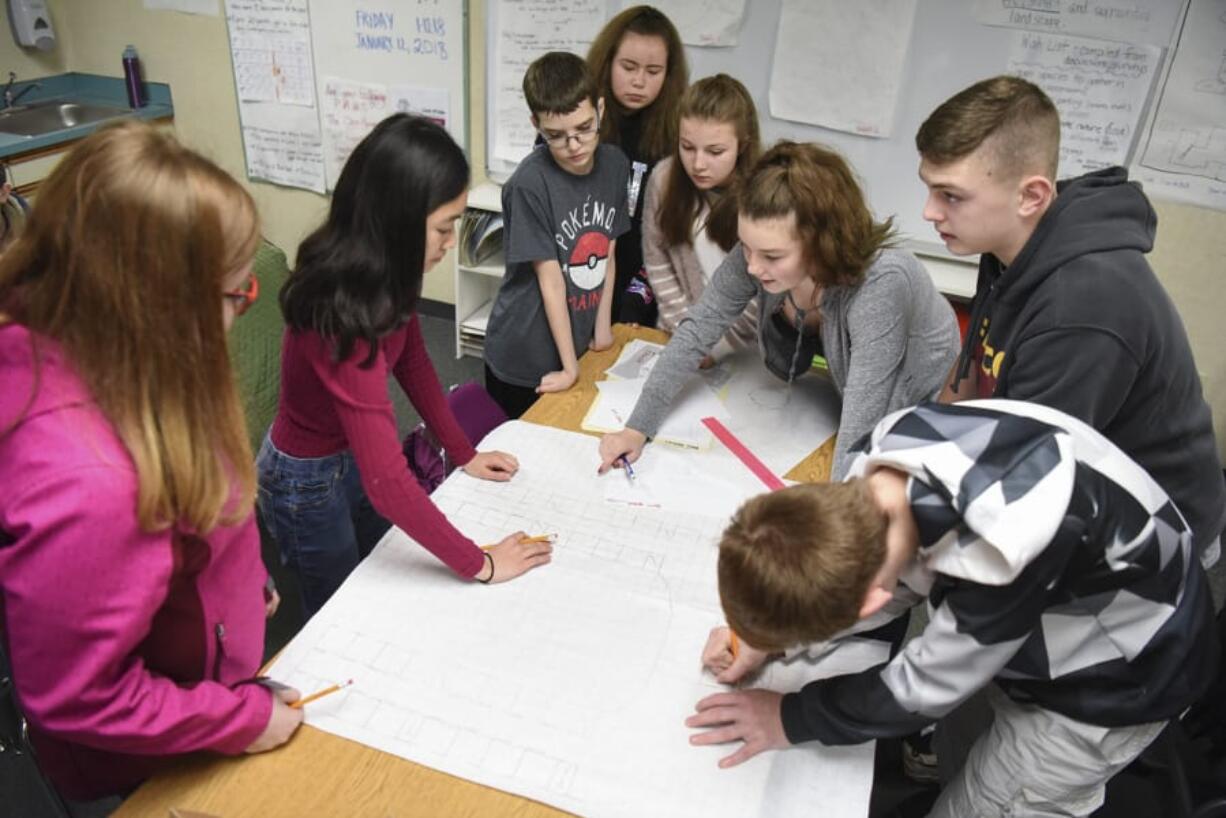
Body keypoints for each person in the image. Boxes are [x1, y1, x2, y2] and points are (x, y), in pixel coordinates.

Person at [688, 400, 1218, 817]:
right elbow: (884, 577)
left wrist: (790, 714)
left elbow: (919, 691)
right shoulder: (882, 458)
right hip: (1057, 605)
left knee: (995, 804)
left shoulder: (1002, 547)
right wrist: (766, 636)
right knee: (961, 751)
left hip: (1120, 677)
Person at [0, 121, 303, 806]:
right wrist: (240, 720)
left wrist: (244, 581)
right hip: (141, 768)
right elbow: (81, 697)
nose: (241, 312)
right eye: (235, 297)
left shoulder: (114, 348)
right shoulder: (89, 486)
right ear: (155, 306)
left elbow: (201, 506)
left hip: (201, 677)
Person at [916, 75, 1225, 563]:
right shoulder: (1006, 243)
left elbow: (1028, 479)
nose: (930, 212)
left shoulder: (1084, 305)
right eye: (929, 189)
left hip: (1152, 531)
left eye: (950, 195)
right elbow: (972, 376)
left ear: (1032, 197)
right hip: (1063, 470)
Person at [261, 114, 552, 619]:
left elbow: (412, 358)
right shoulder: (342, 313)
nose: (449, 242)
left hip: (349, 455)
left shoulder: (392, 269)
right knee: (340, 610)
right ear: (396, 221)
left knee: (384, 566)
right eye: (444, 228)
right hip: (305, 482)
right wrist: (480, 562)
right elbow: (388, 483)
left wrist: (462, 452)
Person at [599, 141, 960, 481]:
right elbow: (697, 330)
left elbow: (864, 420)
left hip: (924, 419)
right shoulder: (758, 253)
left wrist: (838, 519)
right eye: (746, 247)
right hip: (852, 399)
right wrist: (637, 428)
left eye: (772, 256)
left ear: (821, 242)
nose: (752, 267)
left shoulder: (882, 283)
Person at [483, 52, 630, 419]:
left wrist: (601, 333)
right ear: (536, 123)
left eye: (584, 128)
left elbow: (607, 256)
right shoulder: (529, 185)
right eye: (556, 136)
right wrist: (569, 367)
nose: (574, 145)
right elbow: (550, 282)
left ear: (599, 109)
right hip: (525, 353)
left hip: (576, 341)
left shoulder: (615, 166)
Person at [642, 73, 760, 363]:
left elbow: (763, 292)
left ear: (742, 145)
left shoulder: (762, 193)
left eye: (715, 151)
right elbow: (656, 260)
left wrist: (715, 347)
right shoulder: (664, 179)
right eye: (687, 147)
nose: (698, 163)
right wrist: (688, 336)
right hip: (678, 337)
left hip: (743, 355)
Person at [586, 4, 688, 326]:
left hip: (641, 286)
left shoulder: (678, 136)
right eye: (628, 67)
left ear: (668, 75)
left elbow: (669, 237)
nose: (639, 81)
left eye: (653, 71)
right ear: (607, 63)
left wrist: (639, 298)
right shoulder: (579, 121)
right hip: (580, 274)